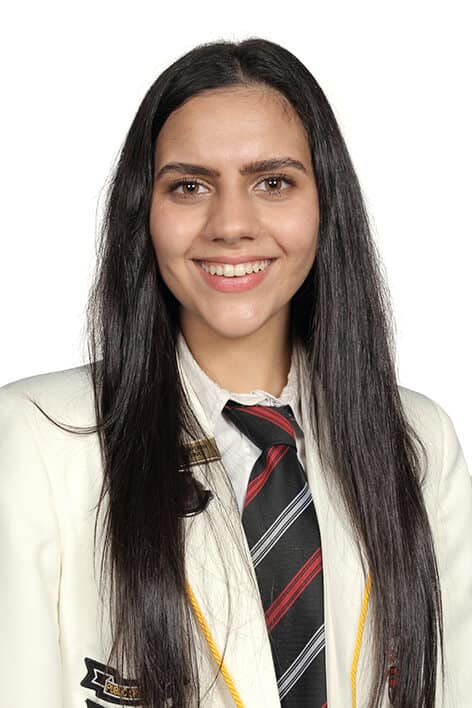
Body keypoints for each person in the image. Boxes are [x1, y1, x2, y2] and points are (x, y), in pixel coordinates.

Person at [0, 37, 470, 708]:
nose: (230, 225)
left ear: (325, 203)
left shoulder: (418, 440)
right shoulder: (36, 438)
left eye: (272, 182)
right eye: (189, 186)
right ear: (144, 211)